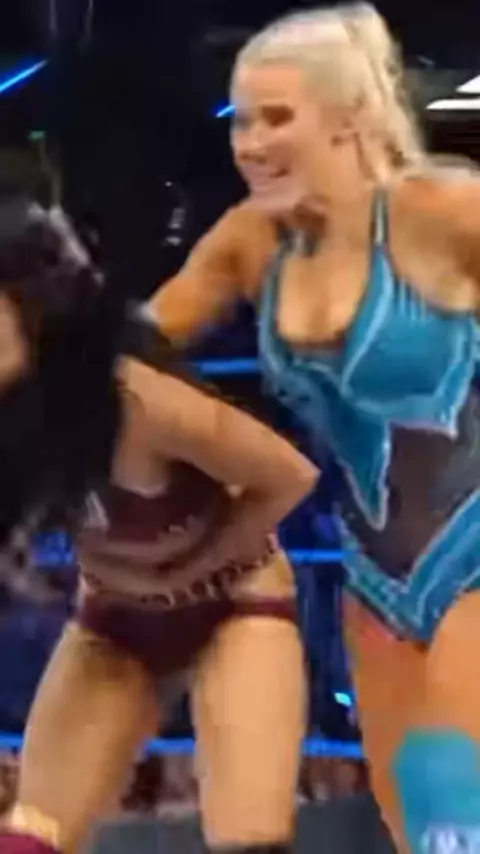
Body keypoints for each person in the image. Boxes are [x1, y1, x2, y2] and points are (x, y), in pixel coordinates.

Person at [146, 4, 480, 851]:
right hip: (375, 580)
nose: (250, 143)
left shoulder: (442, 209)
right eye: (242, 121)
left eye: (276, 118)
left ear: (347, 120)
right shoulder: (250, 243)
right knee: (415, 825)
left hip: (474, 551)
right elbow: (129, 349)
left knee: (455, 802)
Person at [0, 174, 318, 854]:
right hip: (112, 622)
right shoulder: (14, 415)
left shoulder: (137, 397)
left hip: (235, 605)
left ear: (33, 304)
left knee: (249, 841)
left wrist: (200, 560)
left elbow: (288, 474)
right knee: (31, 836)